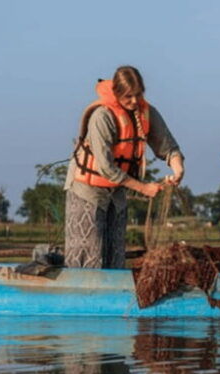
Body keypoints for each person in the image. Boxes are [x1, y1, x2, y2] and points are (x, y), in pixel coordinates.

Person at [64, 66, 184, 269]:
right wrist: (144, 188)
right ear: (117, 93)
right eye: (128, 96)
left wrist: (178, 168)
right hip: (87, 191)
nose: (134, 101)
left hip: (117, 191)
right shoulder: (102, 116)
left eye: (138, 95)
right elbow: (106, 168)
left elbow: (169, 147)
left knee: (115, 254)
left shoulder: (146, 112)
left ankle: (112, 298)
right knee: (87, 255)